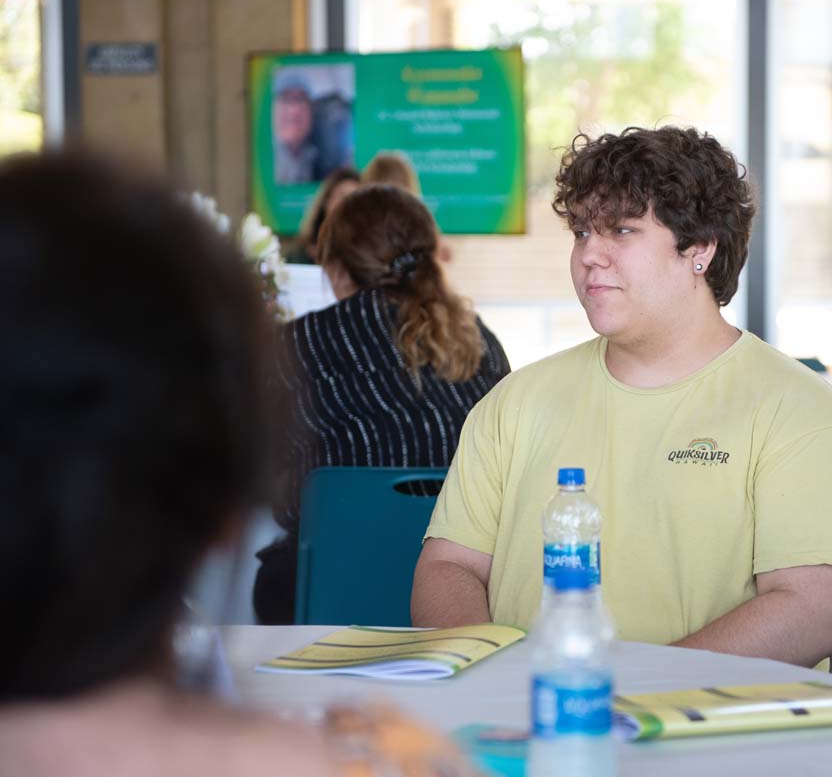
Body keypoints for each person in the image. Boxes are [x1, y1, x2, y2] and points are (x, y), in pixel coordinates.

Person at [0, 151, 477, 777]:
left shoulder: (305, 343)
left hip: (323, 584)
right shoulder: (480, 340)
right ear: (222, 500)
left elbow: (290, 503)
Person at [411, 126, 832, 668]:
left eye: (621, 230)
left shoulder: (799, 411)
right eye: (582, 232)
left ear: (700, 249)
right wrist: (490, 676)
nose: (591, 254)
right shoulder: (514, 400)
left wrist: (635, 692)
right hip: (527, 721)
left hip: (712, 734)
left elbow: (814, 611)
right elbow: (449, 567)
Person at [253, 184, 511, 624]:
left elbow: (251, 465)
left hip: (331, 589)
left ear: (335, 269)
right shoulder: (478, 339)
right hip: (469, 592)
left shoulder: (296, 346)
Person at [289, 165, 359, 263]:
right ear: (326, 201)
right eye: (342, 196)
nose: (348, 205)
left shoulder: (369, 255)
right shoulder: (300, 253)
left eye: (354, 199)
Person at [273, 72, 319, 185]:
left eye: (301, 100)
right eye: (286, 100)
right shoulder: (262, 159)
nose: (294, 110)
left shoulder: (319, 159)